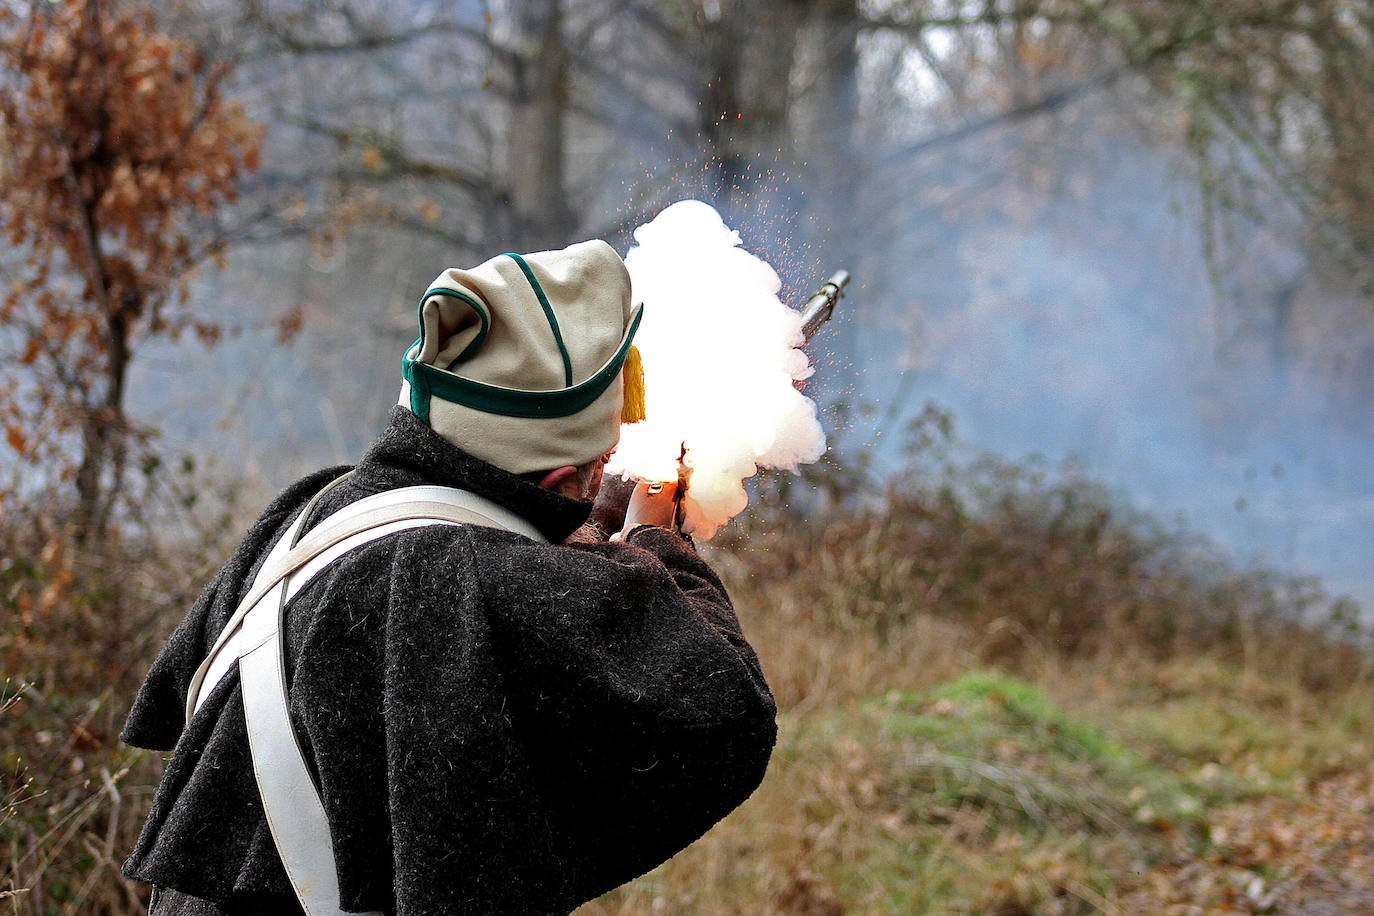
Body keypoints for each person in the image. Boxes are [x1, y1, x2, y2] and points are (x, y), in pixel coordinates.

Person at [120, 240, 778, 915]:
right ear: (557, 480)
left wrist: (585, 518)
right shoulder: (471, 581)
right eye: (598, 460)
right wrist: (656, 542)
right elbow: (726, 709)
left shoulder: (310, 511)